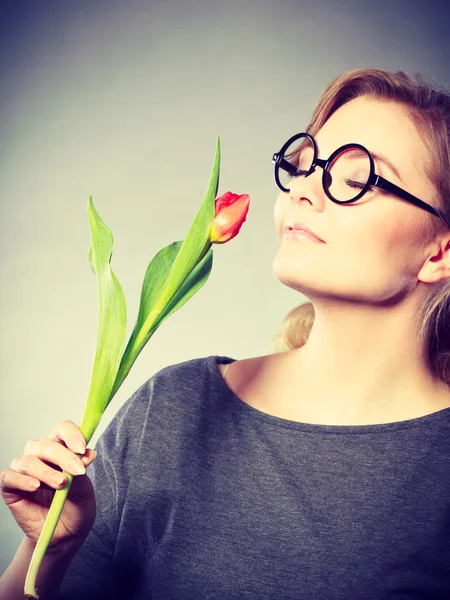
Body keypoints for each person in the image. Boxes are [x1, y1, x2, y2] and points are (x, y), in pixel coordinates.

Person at [1, 67, 450, 599]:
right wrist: (48, 554)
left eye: (356, 180)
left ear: (439, 252)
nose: (305, 189)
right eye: (306, 166)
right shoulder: (171, 408)